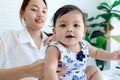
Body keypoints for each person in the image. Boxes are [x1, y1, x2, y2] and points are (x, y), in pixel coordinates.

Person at [0, 0, 104, 80]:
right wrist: (27, 71)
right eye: (34, 9)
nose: (40, 14)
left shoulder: (59, 41)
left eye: (44, 11)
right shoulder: (8, 38)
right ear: (22, 13)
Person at [44, 5, 120, 80]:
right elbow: (50, 69)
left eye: (76, 25)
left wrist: (111, 56)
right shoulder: (54, 48)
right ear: (54, 31)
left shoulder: (84, 44)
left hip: (81, 77)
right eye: (63, 25)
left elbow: (96, 52)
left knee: (93, 69)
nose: (70, 29)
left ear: (84, 31)